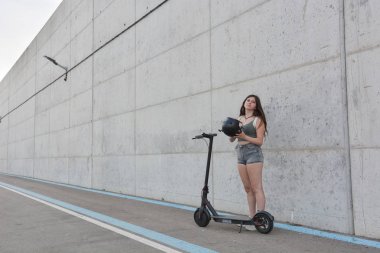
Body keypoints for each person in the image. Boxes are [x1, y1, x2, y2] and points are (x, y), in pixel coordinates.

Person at [229, 94, 268, 230]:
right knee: (248, 188)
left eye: (253, 102)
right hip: (240, 152)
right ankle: (252, 219)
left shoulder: (258, 120)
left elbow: (260, 141)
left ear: (256, 106)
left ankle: (261, 219)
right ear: (244, 103)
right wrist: (231, 134)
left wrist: (244, 136)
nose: (250, 103)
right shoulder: (238, 119)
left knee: (257, 187)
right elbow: (232, 139)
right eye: (248, 100)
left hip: (253, 153)